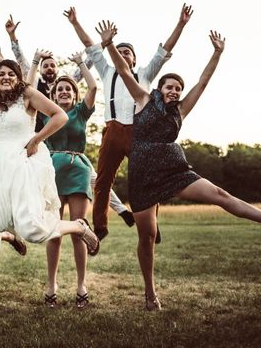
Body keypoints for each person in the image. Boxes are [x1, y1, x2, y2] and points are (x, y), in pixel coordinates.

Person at [103, 25, 261, 310]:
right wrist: (110, 44)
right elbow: (124, 71)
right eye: (170, 86)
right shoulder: (143, 100)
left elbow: (203, 81)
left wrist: (217, 53)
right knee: (147, 236)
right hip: (143, 175)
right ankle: (150, 294)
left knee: (220, 195)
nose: (174, 91)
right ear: (159, 88)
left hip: (175, 171)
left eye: (178, 88)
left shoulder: (182, 110)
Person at [0, 9, 99, 292]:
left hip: (24, 164)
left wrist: (36, 140)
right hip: (0, 168)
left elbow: (59, 116)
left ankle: (79, 227)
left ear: (18, 77)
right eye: (1, 74)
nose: (6, 76)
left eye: (11, 73)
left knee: (33, 230)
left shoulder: (28, 96)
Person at [65, 4, 193, 241]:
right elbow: (90, 47)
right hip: (113, 129)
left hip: (139, 132)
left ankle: (151, 224)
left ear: (134, 59)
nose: (123, 54)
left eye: (127, 52)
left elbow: (164, 50)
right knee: (102, 179)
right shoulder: (106, 71)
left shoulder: (145, 74)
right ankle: (100, 226)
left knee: (148, 178)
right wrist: (75, 22)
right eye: (120, 50)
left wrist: (181, 24)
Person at [0, 15, 135, 227]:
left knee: (93, 177)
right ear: (41, 70)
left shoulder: (66, 85)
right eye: (46, 66)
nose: (50, 68)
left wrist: (103, 45)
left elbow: (89, 60)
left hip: (67, 141)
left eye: (53, 65)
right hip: (42, 142)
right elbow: (21, 65)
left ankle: (121, 209)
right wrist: (13, 37)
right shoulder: (35, 88)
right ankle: (15, 219)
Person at [43, 52, 98, 309]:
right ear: (53, 96)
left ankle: (81, 286)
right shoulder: (46, 114)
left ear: (74, 95)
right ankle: (51, 286)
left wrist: (80, 63)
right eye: (59, 89)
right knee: (54, 230)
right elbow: (30, 90)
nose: (64, 92)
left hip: (78, 172)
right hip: (51, 172)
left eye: (68, 89)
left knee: (78, 230)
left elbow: (94, 86)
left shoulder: (80, 113)